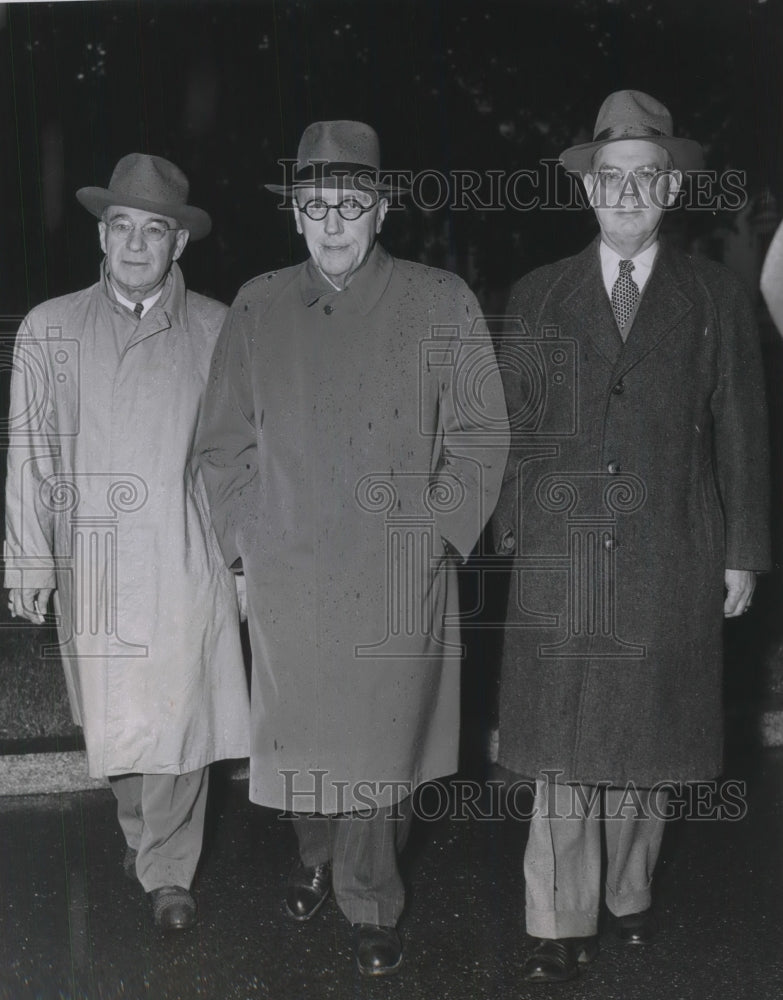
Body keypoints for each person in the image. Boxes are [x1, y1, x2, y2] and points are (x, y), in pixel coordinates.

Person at [197, 120, 508, 976]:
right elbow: (223, 443)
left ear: (382, 211)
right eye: (314, 206)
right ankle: (314, 857)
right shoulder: (259, 304)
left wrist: (438, 533)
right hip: (289, 563)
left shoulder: (440, 299)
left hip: (395, 568)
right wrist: (246, 543)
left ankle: (369, 898)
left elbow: (482, 435)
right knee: (301, 735)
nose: (333, 222)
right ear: (295, 217)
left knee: (381, 740)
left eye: (351, 204)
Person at [491, 91, 770, 983]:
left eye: (646, 177)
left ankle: (629, 891)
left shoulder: (717, 299)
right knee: (565, 744)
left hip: (672, 545)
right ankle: (555, 920)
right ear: (586, 191)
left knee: (650, 741)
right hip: (566, 552)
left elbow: (742, 430)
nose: (627, 193)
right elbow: (515, 433)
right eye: (611, 179)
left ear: (672, 189)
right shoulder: (538, 294)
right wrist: (514, 539)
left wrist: (743, 550)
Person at [4, 153, 250, 931]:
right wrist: (28, 557)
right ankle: (141, 835)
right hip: (94, 559)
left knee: (180, 715)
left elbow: (244, 452)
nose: (137, 245)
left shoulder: (219, 329)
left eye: (155, 231)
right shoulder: (50, 328)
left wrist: (244, 560)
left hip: (186, 554)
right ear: (101, 237)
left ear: (178, 244)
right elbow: (29, 450)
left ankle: (168, 873)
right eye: (121, 228)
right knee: (111, 717)